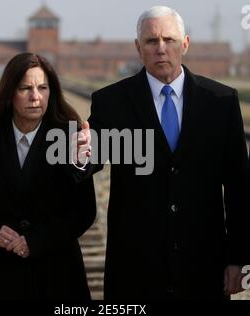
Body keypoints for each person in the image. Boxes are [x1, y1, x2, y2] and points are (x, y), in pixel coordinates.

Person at [72, 6, 249, 300]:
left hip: (204, 265)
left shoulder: (221, 102)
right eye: (152, 41)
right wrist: (80, 155)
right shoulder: (112, 101)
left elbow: (239, 186)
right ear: (138, 48)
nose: (161, 49)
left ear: (186, 44)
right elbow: (94, 153)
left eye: (169, 39)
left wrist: (239, 257)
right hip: (135, 268)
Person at [0, 52, 96, 300]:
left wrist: (37, 241)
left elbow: (84, 212)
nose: (35, 97)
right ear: (9, 93)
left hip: (57, 276)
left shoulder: (71, 139)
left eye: (42, 87)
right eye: (25, 88)